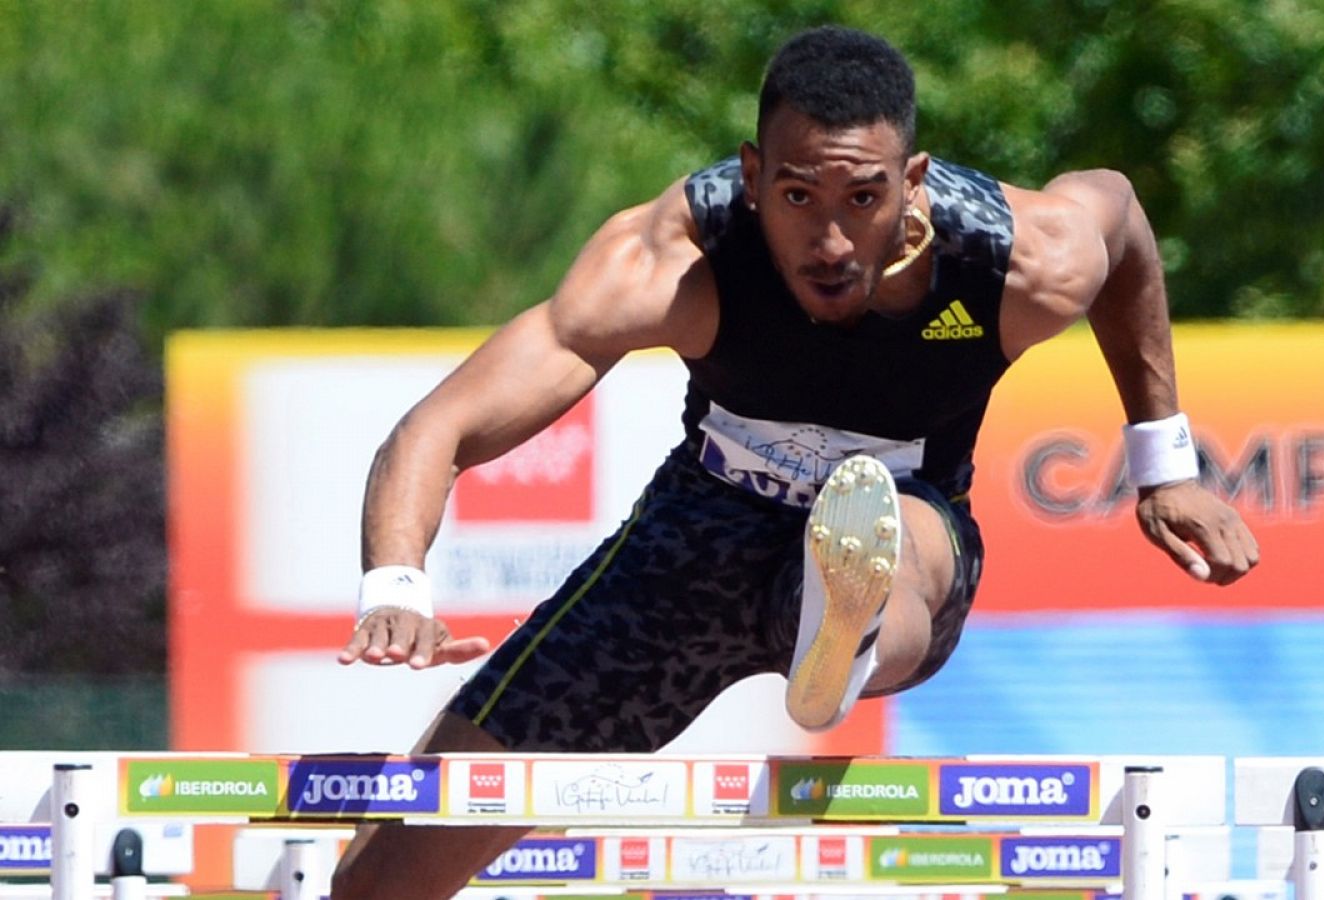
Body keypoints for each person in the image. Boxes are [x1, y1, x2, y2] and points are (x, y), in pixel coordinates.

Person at [329, 24, 1259, 900]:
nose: (828, 242)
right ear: (753, 175)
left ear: (913, 182)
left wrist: (1164, 463)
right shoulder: (680, 259)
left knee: (893, 531)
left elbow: (1124, 214)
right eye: (797, 197)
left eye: (863, 199)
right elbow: (439, 427)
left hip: (904, 515)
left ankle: (844, 635)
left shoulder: (1015, 262)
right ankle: (834, 622)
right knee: (376, 880)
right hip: (693, 543)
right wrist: (397, 586)